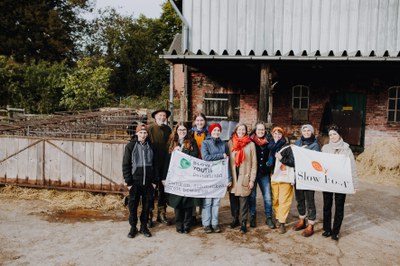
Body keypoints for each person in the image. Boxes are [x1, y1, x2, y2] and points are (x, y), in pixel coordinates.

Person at [321, 125, 358, 241]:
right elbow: (320, 164)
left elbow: (352, 167)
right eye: (330, 134)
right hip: (328, 181)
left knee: (339, 206)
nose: (332, 136)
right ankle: (327, 229)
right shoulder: (325, 148)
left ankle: (335, 231)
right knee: (327, 206)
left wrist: (355, 185)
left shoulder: (346, 149)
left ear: (339, 135)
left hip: (341, 182)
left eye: (334, 134)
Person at [163, 122, 200, 234]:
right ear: (176, 131)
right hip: (175, 177)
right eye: (180, 130)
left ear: (187, 131)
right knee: (178, 201)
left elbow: (195, 156)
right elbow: (167, 161)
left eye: (184, 130)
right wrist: (164, 177)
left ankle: (187, 224)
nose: (182, 132)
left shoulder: (191, 142)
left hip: (188, 176)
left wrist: (183, 152)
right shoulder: (171, 143)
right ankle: (179, 224)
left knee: (188, 202)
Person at [122, 123, 157, 238]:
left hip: (148, 183)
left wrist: (154, 182)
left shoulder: (151, 146)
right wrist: (129, 182)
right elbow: (126, 165)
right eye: (140, 132)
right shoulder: (130, 147)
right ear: (136, 133)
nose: (143, 134)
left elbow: (155, 165)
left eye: (145, 132)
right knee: (133, 206)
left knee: (147, 206)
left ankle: (143, 226)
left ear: (147, 134)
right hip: (135, 183)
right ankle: (133, 227)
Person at [228, 122, 257, 234]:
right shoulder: (230, 143)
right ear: (236, 130)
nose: (241, 132)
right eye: (239, 130)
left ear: (246, 131)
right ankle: (235, 219)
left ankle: (243, 222)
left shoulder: (250, 144)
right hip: (234, 177)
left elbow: (254, 164)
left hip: (245, 176)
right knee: (233, 200)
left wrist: (252, 179)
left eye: (243, 130)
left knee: (244, 201)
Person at [291, 124, 320, 237]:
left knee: (310, 201)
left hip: (309, 177)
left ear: (312, 132)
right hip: (298, 175)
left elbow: (316, 162)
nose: (306, 132)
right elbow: (292, 158)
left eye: (309, 131)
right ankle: (302, 220)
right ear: (302, 132)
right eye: (305, 130)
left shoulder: (315, 145)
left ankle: (311, 224)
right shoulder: (297, 143)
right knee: (299, 199)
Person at [201, 123, 229, 233]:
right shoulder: (205, 143)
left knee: (216, 202)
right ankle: (206, 224)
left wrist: (229, 178)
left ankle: (215, 223)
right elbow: (206, 157)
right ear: (210, 131)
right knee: (207, 201)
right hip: (208, 176)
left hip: (219, 177)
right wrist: (220, 156)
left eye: (218, 130)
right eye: (214, 130)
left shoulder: (223, 144)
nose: (216, 132)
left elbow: (227, 162)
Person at [148, 109, 172, 226]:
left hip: (165, 164)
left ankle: (162, 214)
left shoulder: (168, 129)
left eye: (164, 116)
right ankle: (149, 215)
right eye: (160, 115)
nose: (162, 117)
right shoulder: (150, 129)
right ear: (155, 116)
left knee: (163, 190)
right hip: (152, 164)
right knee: (151, 191)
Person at [249, 122, 275, 229]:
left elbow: (273, 153)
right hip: (253, 173)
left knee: (268, 196)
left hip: (264, 173)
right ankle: (252, 215)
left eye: (263, 129)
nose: (261, 131)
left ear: (265, 131)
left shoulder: (269, 142)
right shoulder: (250, 141)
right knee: (252, 196)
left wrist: (271, 160)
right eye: (259, 129)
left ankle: (268, 217)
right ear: (255, 130)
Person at [269, 127, 293, 234]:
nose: (277, 135)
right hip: (273, 176)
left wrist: (281, 158)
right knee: (275, 199)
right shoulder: (270, 146)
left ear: (282, 135)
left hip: (284, 177)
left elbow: (292, 162)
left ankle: (282, 222)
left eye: (279, 133)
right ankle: (278, 217)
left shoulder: (287, 147)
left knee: (284, 200)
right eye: (275, 133)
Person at [189, 113, 209, 225]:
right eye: (198, 120)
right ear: (194, 122)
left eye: (202, 120)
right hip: (193, 165)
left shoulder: (208, 134)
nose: (200, 122)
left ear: (204, 121)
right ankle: (192, 215)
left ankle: (202, 215)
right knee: (193, 190)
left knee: (203, 191)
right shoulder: (190, 133)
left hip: (204, 165)